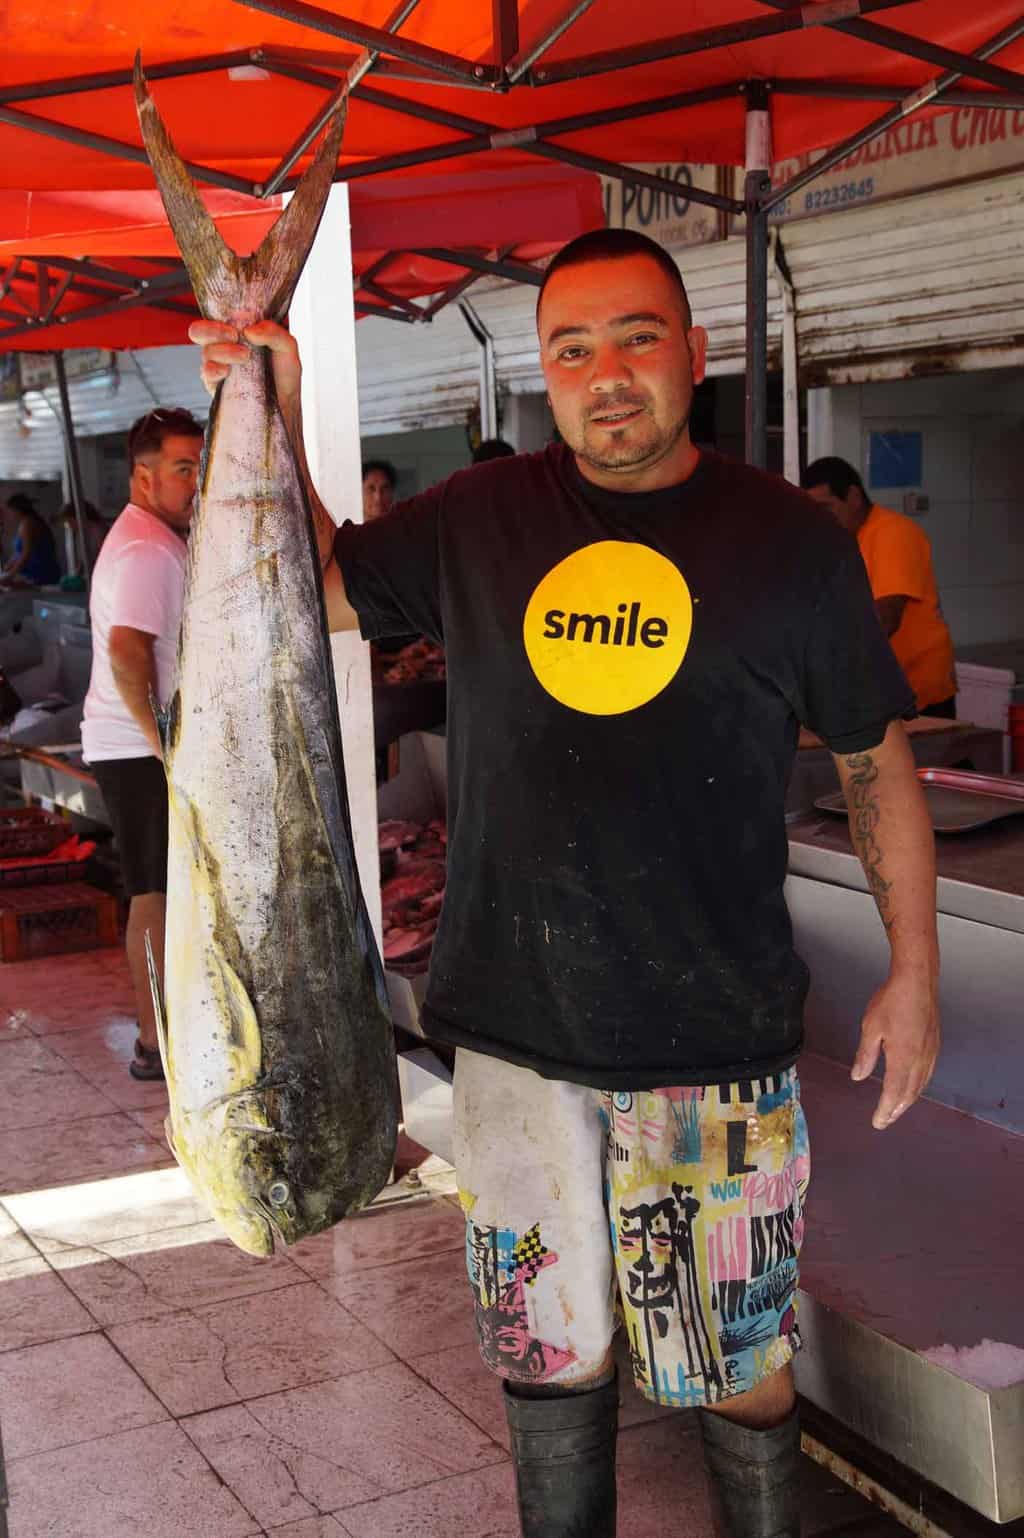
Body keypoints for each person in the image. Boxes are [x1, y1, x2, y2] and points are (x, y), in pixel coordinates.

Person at [193, 228, 940, 1538]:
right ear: (544, 368)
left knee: (738, 1361)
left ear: (696, 357)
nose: (608, 374)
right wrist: (277, 394)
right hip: (516, 1035)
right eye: (574, 347)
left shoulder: (790, 543)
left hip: (711, 1043)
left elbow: (880, 763)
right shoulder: (481, 516)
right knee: (551, 1350)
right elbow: (317, 588)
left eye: (638, 338)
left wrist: (917, 973)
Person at [81, 407, 204, 1081]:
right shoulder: (147, 549)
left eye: (199, 466)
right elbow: (129, 650)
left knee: (164, 891)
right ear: (143, 474)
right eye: (184, 469)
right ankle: (156, 1043)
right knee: (153, 892)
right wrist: (164, 744)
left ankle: (168, 1030)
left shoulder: (154, 537)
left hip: (138, 744)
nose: (196, 482)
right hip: (137, 750)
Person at [802, 457, 956, 718]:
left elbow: (886, 618)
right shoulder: (840, 541)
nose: (820, 518)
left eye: (826, 507)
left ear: (853, 496)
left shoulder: (894, 533)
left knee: (933, 758)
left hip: (916, 690)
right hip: (876, 689)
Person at [0, 493, 62, 586]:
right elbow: (19, 553)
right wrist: (7, 568)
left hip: (39, 573)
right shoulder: (25, 522)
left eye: (9, 511)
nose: (9, 515)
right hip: (32, 572)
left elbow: (26, 554)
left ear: (17, 510)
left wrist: (10, 575)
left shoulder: (28, 523)